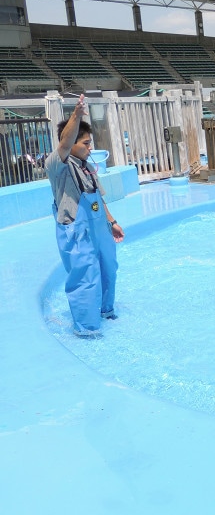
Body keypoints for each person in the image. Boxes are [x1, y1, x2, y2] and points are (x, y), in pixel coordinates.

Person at [45, 94, 125, 335]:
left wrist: (112, 221)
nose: (90, 148)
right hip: (76, 231)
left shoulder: (88, 166)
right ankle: (87, 328)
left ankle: (105, 312)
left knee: (108, 268)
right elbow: (64, 145)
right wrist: (77, 116)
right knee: (86, 278)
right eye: (86, 143)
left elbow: (98, 197)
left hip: (99, 227)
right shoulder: (57, 165)